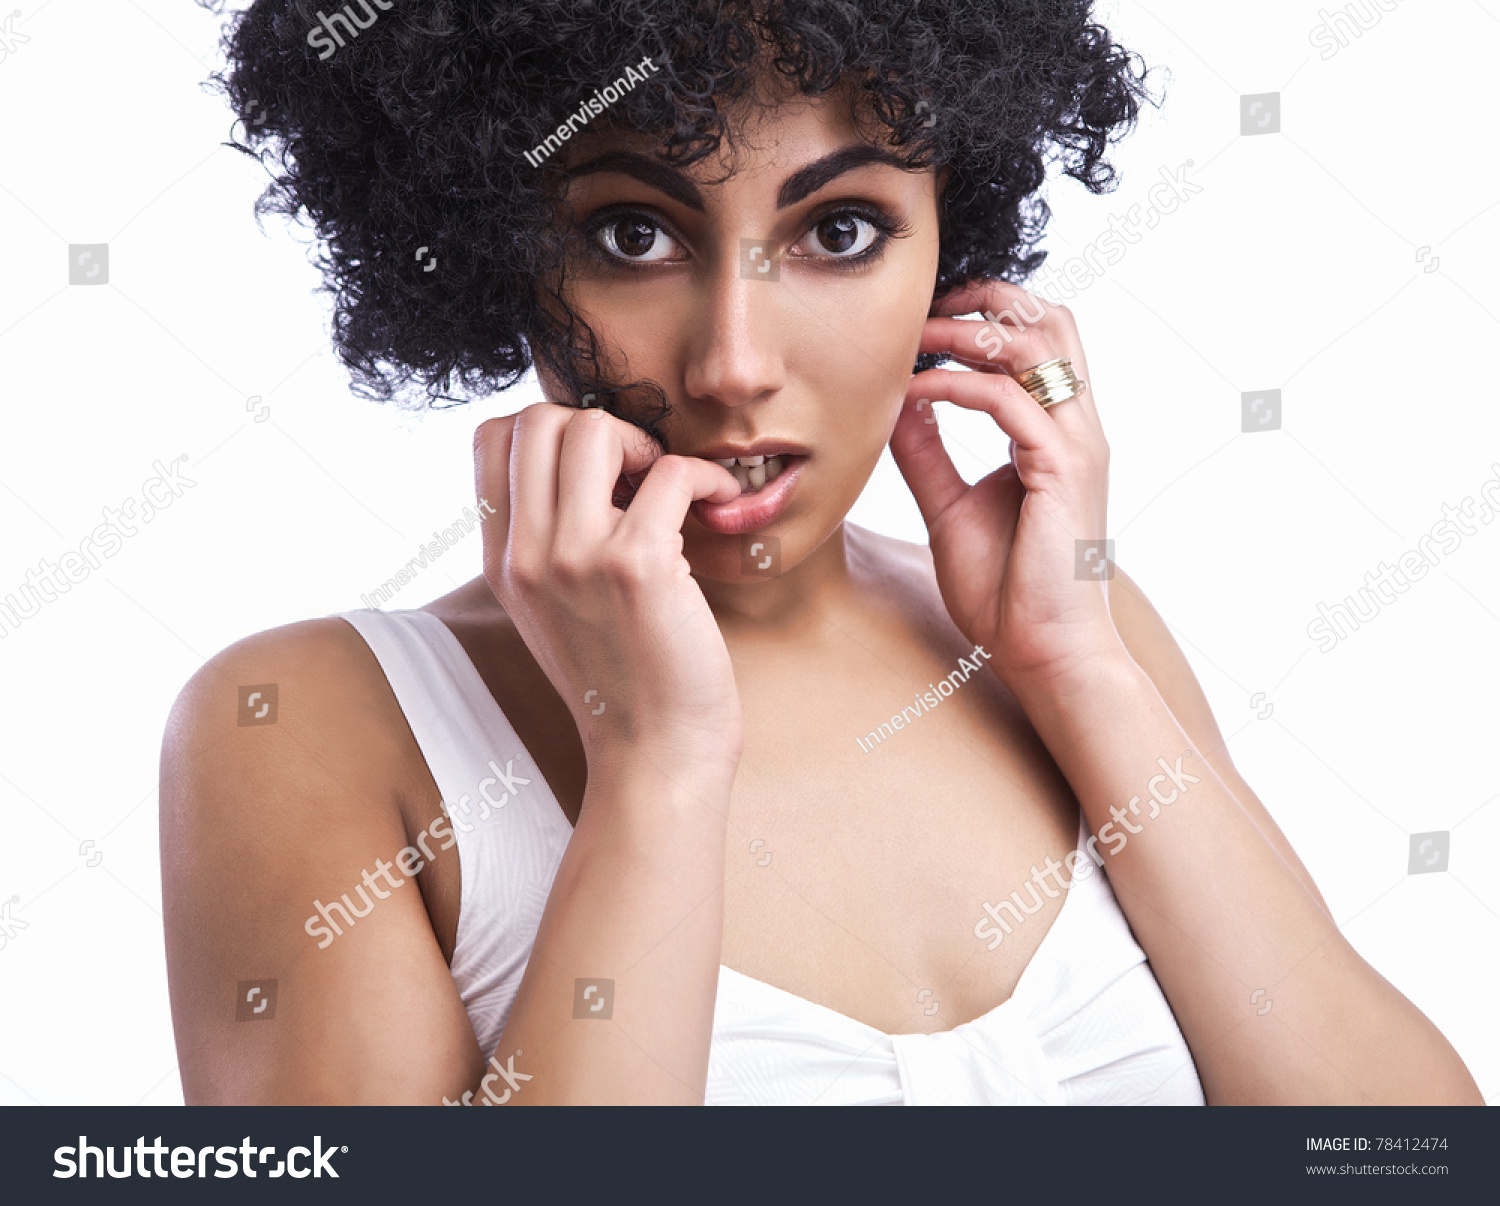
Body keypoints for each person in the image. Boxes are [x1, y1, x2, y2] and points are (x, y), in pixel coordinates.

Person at [163, 0, 1482, 1105]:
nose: (734, 363)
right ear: (497, 252)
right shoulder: (309, 728)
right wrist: (656, 766)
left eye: (838, 229)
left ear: (947, 250)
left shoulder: (1071, 636)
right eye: (633, 233)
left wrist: (1077, 668)